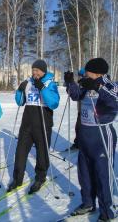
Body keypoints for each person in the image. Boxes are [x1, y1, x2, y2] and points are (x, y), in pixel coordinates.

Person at [65, 58, 118, 221]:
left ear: (96, 72)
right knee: (85, 173)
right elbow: (75, 96)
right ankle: (88, 203)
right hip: (85, 135)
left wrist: (99, 88)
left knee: (102, 174)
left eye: (88, 71)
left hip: (102, 134)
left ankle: (107, 211)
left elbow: (115, 103)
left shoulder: (110, 85)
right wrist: (70, 83)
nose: (85, 72)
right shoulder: (86, 83)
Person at [7, 59, 60, 194]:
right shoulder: (29, 83)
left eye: (37, 70)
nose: (34, 72)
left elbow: (53, 103)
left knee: (42, 152)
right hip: (27, 123)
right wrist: (20, 90)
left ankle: (40, 178)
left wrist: (42, 88)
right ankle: (17, 178)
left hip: (42, 122)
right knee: (20, 151)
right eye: (33, 70)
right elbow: (20, 102)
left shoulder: (50, 83)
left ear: (43, 71)